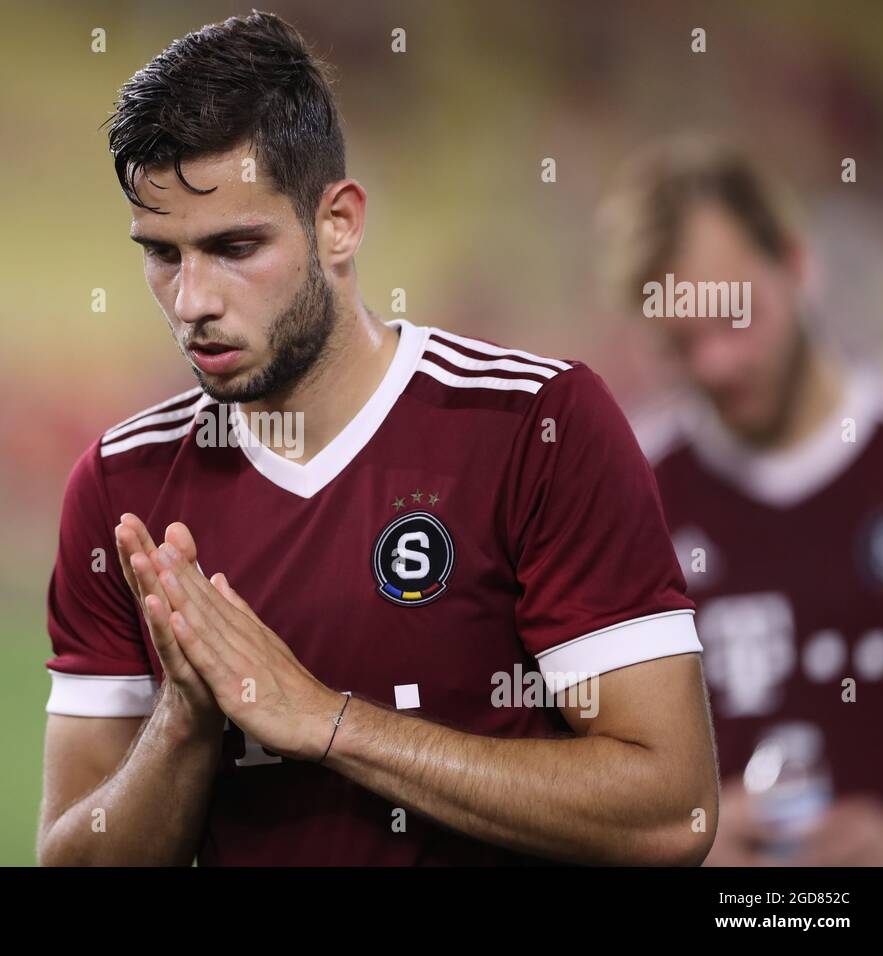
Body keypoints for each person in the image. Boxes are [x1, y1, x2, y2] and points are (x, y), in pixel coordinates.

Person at [37, 12, 716, 866]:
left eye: (234, 246)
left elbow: (670, 813)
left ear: (339, 224)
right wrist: (184, 720)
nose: (192, 300)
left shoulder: (534, 425)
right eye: (163, 255)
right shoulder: (121, 487)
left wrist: (329, 722)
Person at [597, 136, 883, 865]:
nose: (717, 364)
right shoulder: (628, 495)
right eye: (681, 342)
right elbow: (578, 763)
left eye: (736, 318)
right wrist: (678, 835)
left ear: (796, 264)